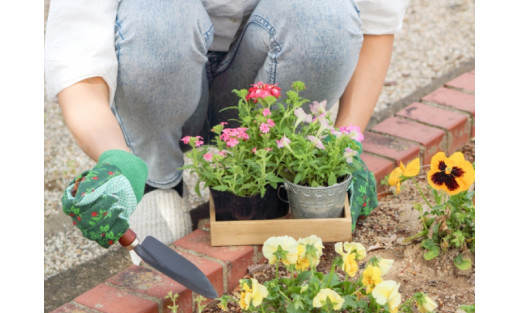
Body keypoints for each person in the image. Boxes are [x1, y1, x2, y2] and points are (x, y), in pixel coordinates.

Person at [45, 0, 409, 257]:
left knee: (325, 15)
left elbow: (376, 22)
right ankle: (158, 179)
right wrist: (116, 159)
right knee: (158, 15)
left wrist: (345, 143)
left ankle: (270, 169)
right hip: (164, 77)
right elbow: (78, 59)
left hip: (264, 86)